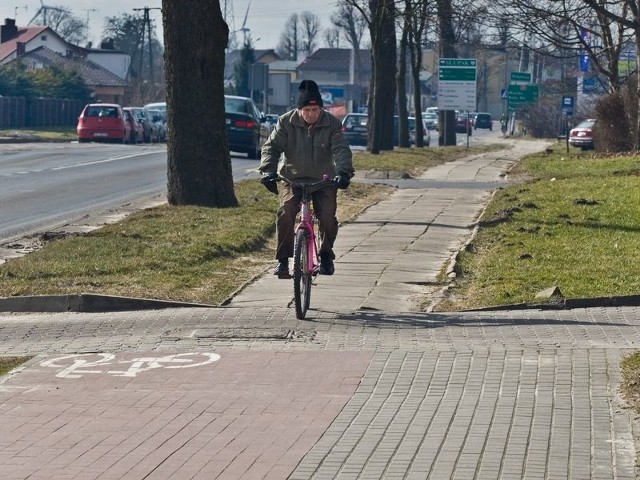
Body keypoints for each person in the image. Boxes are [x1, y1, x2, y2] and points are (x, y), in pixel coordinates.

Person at [259, 79, 354, 279]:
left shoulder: (331, 123)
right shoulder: (286, 122)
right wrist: (268, 171)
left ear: (321, 108)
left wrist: (344, 172)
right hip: (292, 179)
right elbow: (271, 147)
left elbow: (341, 149)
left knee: (327, 216)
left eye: (315, 109)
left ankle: (326, 255)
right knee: (286, 212)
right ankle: (283, 261)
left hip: (323, 181)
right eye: (307, 109)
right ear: (299, 109)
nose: (311, 114)